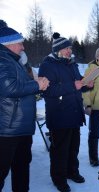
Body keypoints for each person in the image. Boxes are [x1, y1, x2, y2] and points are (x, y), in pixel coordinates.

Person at [39, 32, 93, 192]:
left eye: (70, 47)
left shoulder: (72, 64)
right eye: (66, 48)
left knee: (73, 147)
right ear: (58, 50)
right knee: (59, 151)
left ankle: (72, 172)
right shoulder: (48, 65)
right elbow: (47, 91)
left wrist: (87, 84)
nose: (70, 50)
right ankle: (59, 179)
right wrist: (73, 86)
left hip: (75, 113)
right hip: (59, 115)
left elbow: (78, 82)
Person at [0, 20, 49, 191]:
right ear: (9, 44)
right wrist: (37, 85)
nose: (23, 47)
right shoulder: (2, 60)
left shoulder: (16, 62)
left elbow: (24, 87)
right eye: (20, 43)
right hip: (7, 130)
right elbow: (9, 88)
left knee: (22, 167)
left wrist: (39, 84)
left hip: (21, 127)